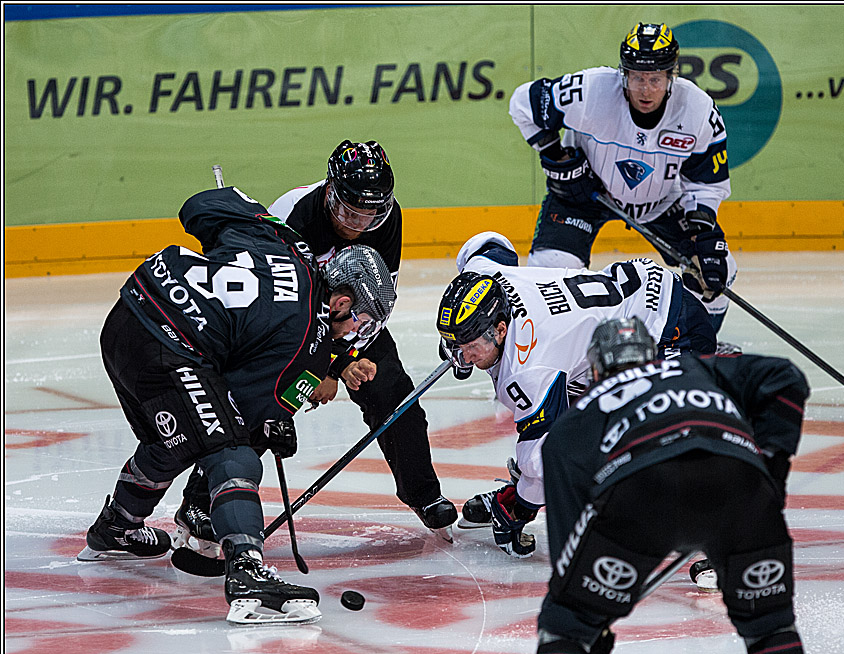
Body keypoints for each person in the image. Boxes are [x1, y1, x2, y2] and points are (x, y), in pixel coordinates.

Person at [77, 185, 393, 624]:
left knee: (176, 439)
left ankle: (117, 526)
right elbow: (248, 415)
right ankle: (247, 571)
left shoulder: (283, 242)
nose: (356, 332)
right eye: (362, 319)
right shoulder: (309, 340)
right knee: (233, 451)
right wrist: (274, 425)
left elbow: (200, 207)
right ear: (341, 302)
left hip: (128, 315)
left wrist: (257, 226)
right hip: (169, 347)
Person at [533, 317, 811, 654]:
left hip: (642, 490)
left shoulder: (582, 412)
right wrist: (771, 471)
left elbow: (569, 528)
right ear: (653, 356)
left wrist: (581, 608)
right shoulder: (693, 366)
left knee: (566, 623)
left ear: (596, 369)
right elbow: (786, 377)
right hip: (739, 482)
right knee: (769, 623)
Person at [435, 231, 716, 559]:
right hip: (633, 301)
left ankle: (720, 525)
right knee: (577, 416)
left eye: (470, 346)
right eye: (456, 344)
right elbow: (488, 246)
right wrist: (459, 345)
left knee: (649, 442)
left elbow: (543, 462)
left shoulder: (527, 370)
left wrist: (518, 509)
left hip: (669, 331)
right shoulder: (487, 280)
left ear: (500, 330)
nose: (464, 355)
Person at [266, 139, 458, 539]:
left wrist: (349, 353)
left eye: (370, 214)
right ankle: (201, 503)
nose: (358, 223)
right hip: (284, 327)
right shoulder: (293, 218)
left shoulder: (388, 218)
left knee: (396, 397)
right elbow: (281, 312)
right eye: (349, 212)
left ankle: (423, 495)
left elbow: (377, 300)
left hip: (346, 318)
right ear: (330, 192)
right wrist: (329, 366)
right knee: (259, 410)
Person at [508, 22, 740, 352]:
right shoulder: (590, 91)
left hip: (661, 201)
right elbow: (522, 103)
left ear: (671, 76)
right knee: (548, 275)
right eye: (637, 78)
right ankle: (554, 357)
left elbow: (706, 184)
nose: (646, 90)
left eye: (655, 79)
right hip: (583, 196)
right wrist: (556, 155)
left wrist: (702, 235)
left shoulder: (698, 111)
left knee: (716, 271)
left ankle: (696, 351)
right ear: (624, 74)